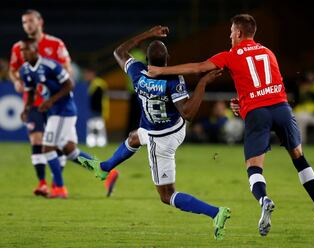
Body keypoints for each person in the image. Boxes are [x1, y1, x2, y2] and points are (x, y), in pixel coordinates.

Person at [148, 14, 314, 236]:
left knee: (254, 166)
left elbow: (199, 67)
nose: (229, 36)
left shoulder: (230, 55)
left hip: (258, 114)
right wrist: (243, 101)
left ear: (238, 33)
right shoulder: (268, 52)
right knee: (299, 158)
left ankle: (264, 199)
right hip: (282, 109)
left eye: (230, 32)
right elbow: (267, 84)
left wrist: (160, 71)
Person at [78, 26, 231, 240]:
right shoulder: (172, 79)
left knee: (167, 195)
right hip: (174, 128)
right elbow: (186, 113)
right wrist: (203, 83)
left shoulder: (137, 71)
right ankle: (104, 168)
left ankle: (216, 213)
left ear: (147, 59)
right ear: (167, 58)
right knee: (135, 136)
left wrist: (148, 34)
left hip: (160, 140)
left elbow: (119, 52)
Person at [19, 38, 117, 198]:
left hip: (63, 111)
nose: (23, 53)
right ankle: (105, 172)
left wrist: (50, 101)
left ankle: (59, 188)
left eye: (27, 50)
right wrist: (26, 109)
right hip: (55, 112)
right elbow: (30, 92)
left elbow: (69, 84)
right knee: (70, 151)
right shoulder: (25, 70)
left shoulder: (50, 65)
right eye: (21, 50)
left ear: (35, 50)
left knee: (47, 148)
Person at [9, 9, 72, 196]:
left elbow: (67, 69)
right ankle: (42, 183)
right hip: (34, 102)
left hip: (56, 103)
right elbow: (13, 70)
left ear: (40, 22)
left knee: (60, 145)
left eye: (30, 21)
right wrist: (17, 82)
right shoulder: (19, 48)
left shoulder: (55, 44)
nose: (27, 25)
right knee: (36, 139)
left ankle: (57, 183)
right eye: (24, 22)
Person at [83, 66, 110, 147]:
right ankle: (96, 143)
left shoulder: (98, 84)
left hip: (98, 111)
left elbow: (98, 100)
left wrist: (97, 112)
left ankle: (98, 143)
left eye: (87, 74)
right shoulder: (94, 83)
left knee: (97, 127)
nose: (86, 76)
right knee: (96, 127)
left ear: (92, 74)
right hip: (96, 110)